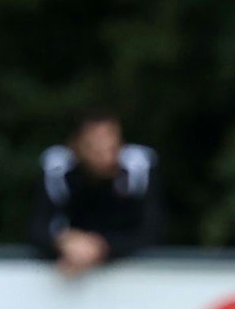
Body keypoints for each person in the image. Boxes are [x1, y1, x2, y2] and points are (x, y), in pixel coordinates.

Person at [29, 110, 161, 276]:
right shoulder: (58, 171)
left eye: (112, 146)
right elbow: (37, 226)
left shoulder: (137, 171)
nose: (105, 156)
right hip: (70, 264)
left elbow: (152, 230)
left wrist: (101, 248)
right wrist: (63, 242)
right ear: (76, 146)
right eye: (95, 147)